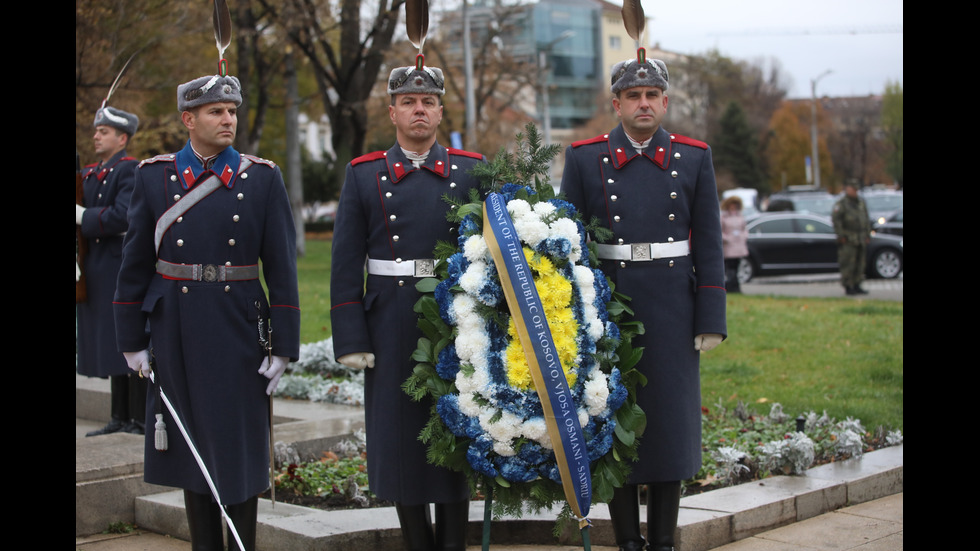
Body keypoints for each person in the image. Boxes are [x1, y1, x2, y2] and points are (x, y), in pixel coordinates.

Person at [113, 72, 300, 551]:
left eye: (232, 111)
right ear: (188, 119)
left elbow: (281, 269)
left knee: (238, 451)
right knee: (190, 453)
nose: (228, 120)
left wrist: (284, 347)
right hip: (175, 327)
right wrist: (131, 340)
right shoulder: (153, 176)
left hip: (239, 328)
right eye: (216, 111)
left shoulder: (262, 177)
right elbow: (135, 263)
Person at [560, 56, 727, 551]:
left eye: (652, 95)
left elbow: (711, 243)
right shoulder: (585, 158)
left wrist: (710, 317)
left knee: (671, 426)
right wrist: (574, 316)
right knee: (615, 419)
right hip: (612, 307)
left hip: (674, 306)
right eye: (633, 96)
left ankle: (663, 540)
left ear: (665, 102)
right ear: (616, 104)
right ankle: (628, 539)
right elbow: (570, 242)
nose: (644, 103)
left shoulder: (694, 157)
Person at [330, 59, 486, 551]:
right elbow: (344, 261)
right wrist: (351, 337)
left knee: (458, 429)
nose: (419, 110)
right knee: (400, 438)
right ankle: (416, 540)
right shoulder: (364, 175)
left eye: (428, 102)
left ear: (440, 112)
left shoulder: (472, 171)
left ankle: (453, 543)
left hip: (456, 320)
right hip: (390, 322)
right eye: (408, 103)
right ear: (392, 112)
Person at [77, 106, 148, 436]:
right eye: (96, 130)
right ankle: (119, 416)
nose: (96, 136)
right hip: (96, 266)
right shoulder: (91, 173)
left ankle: (138, 418)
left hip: (119, 265)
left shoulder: (129, 170)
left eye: (103, 131)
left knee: (126, 338)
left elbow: (123, 216)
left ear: (122, 138)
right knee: (110, 343)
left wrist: (83, 217)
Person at [832, 182, 872, 295]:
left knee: (860, 263)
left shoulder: (861, 202)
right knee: (848, 264)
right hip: (848, 239)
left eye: (855, 189)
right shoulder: (842, 204)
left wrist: (867, 235)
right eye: (851, 189)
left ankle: (857, 284)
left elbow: (866, 219)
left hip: (860, 238)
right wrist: (841, 236)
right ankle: (848, 286)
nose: (854, 191)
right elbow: (836, 221)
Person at [720, 195, 749, 293]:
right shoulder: (724, 217)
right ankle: (731, 287)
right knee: (730, 268)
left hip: (739, 246)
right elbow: (720, 231)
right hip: (729, 246)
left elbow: (744, 229)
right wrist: (727, 238)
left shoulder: (740, 216)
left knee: (737, 267)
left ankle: (736, 287)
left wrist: (743, 236)